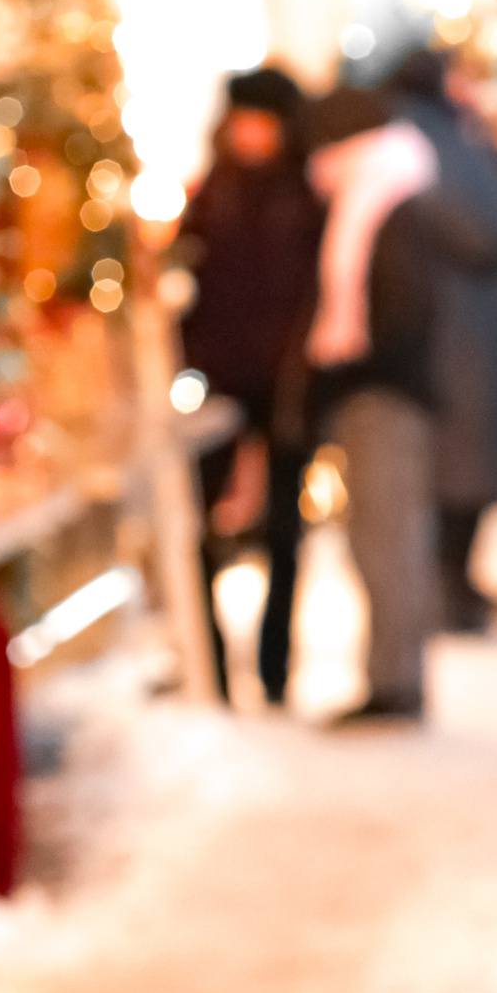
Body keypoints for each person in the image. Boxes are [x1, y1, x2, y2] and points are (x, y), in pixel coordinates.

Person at [174, 67, 322, 705]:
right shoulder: (212, 194)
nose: (251, 133)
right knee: (199, 524)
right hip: (217, 383)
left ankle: (274, 668)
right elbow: (188, 284)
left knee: (286, 531)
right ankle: (211, 667)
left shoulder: (306, 194)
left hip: (288, 382)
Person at [384, 51, 497, 635]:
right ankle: (448, 585)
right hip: (458, 329)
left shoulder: (435, 137)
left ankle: (455, 580)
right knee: (461, 465)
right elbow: (487, 227)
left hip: (464, 324)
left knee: (465, 463)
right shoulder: (428, 142)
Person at [301, 89, 442, 724]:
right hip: (382, 390)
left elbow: (403, 315)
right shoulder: (379, 197)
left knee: (387, 542)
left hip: (387, 393)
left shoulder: (386, 204)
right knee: (380, 540)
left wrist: (357, 362)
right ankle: (391, 678)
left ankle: (394, 684)